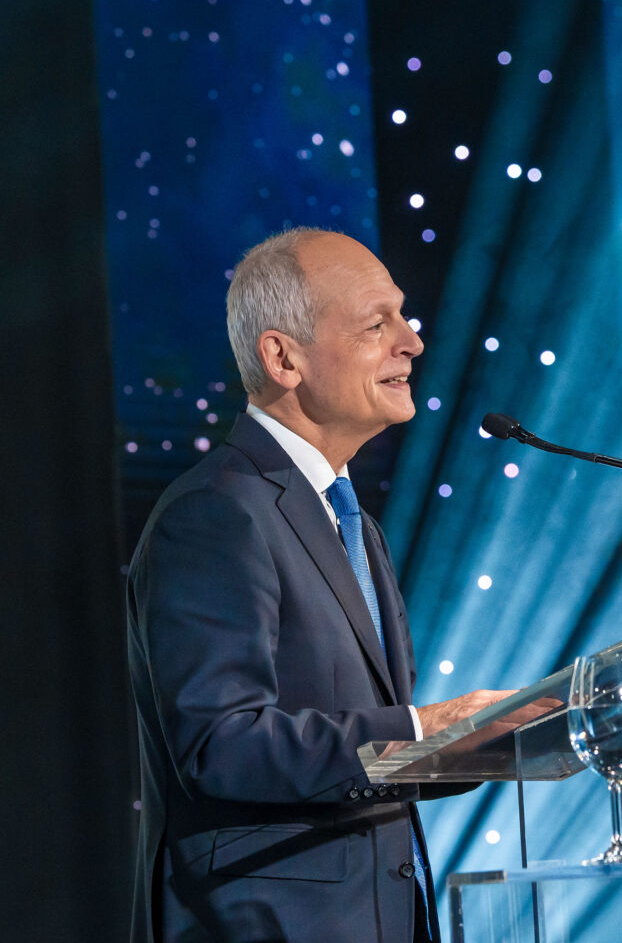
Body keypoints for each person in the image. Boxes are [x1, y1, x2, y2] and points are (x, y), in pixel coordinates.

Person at [127, 228, 514, 943]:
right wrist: (424, 727)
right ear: (283, 357)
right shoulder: (215, 512)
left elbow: (362, 759)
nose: (412, 343)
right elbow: (222, 743)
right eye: (378, 324)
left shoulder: (352, 523)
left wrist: (480, 743)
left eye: (403, 316)